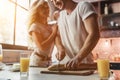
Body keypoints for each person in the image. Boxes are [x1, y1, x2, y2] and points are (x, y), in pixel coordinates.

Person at [52, 0, 100, 69]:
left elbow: (94, 34)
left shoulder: (83, 7)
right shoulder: (60, 15)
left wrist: (78, 58)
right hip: (65, 66)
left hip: (84, 65)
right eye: (52, 1)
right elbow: (57, 36)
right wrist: (60, 48)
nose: (55, 3)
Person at [27, 0, 57, 67]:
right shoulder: (34, 26)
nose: (46, 9)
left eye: (47, 7)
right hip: (37, 61)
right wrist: (54, 33)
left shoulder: (50, 26)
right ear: (37, 10)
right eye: (43, 7)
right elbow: (41, 47)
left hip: (49, 61)